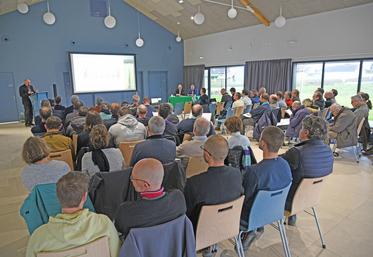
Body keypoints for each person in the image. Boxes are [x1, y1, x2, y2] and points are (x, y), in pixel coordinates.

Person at [25, 172, 120, 257]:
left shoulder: (38, 237)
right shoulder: (104, 223)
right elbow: (117, 252)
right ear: (84, 197)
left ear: (58, 197)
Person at [241, 127, 292, 250]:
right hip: (275, 212)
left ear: (263, 143)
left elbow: (244, 198)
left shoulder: (254, 172)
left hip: (250, 217)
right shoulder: (285, 165)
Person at [115, 158, 186, 239]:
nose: (131, 180)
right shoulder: (178, 198)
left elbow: (119, 229)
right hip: (173, 247)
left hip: (139, 250)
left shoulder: (126, 211)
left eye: (133, 178)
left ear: (146, 185)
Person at [282, 116, 333, 225]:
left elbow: (276, 163)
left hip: (289, 200)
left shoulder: (297, 152)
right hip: (311, 197)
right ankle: (292, 216)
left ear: (305, 132)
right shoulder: (328, 150)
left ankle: (255, 229)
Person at [184, 135, 243, 230]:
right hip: (229, 225)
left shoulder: (194, 183)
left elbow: (186, 213)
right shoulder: (236, 174)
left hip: (201, 230)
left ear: (207, 155)